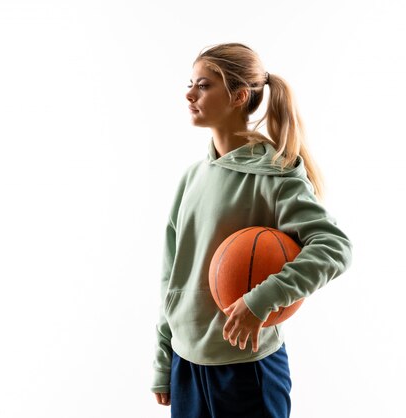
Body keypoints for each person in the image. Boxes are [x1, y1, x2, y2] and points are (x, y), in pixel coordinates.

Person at [151, 42, 353, 418]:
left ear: (239, 96)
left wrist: (261, 299)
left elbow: (334, 247)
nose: (189, 93)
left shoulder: (276, 174)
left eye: (204, 85)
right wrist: (164, 356)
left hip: (248, 365)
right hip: (186, 363)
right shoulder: (191, 178)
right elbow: (171, 275)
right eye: (190, 83)